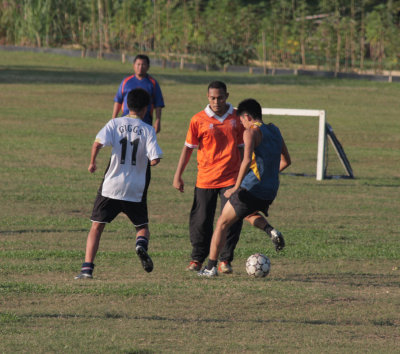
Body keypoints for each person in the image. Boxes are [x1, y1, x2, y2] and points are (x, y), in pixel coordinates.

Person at [75, 88, 163, 279]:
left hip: (111, 186)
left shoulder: (115, 123)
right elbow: (155, 159)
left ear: (126, 106)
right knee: (142, 227)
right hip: (135, 189)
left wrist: (92, 162)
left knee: (97, 227)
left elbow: (97, 143)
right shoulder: (148, 129)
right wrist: (147, 160)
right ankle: (140, 245)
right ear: (146, 108)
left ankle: (86, 270)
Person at [198, 98, 291, 277]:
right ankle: (270, 230)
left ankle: (210, 268)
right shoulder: (275, 130)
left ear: (247, 116)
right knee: (245, 213)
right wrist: (268, 176)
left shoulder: (251, 132)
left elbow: (246, 160)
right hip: (270, 190)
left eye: (241, 121)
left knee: (222, 223)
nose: (241, 124)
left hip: (251, 188)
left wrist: (235, 187)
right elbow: (286, 161)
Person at [173, 81, 245, 274]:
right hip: (205, 178)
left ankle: (225, 260)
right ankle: (197, 258)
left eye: (220, 97)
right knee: (201, 220)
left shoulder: (237, 118)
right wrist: (178, 175)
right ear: (207, 97)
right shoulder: (198, 119)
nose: (216, 101)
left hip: (231, 179)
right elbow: (188, 148)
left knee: (230, 220)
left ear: (227, 96)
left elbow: (243, 148)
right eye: (213, 98)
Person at [112, 54, 164, 133]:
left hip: (145, 122)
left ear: (148, 67)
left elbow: (158, 104)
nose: (140, 67)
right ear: (134, 65)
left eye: (143, 64)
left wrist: (158, 121)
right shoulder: (126, 82)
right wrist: (113, 119)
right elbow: (118, 100)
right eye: (138, 64)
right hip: (126, 121)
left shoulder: (152, 83)